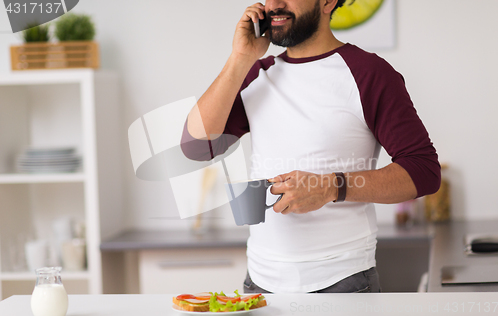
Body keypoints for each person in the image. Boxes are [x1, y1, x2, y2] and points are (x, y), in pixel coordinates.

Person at [181, 0, 440, 293]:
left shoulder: (370, 74)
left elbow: (423, 171)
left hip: (342, 285)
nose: (275, 5)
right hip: (259, 284)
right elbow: (195, 146)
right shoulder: (257, 75)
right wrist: (240, 58)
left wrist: (332, 186)